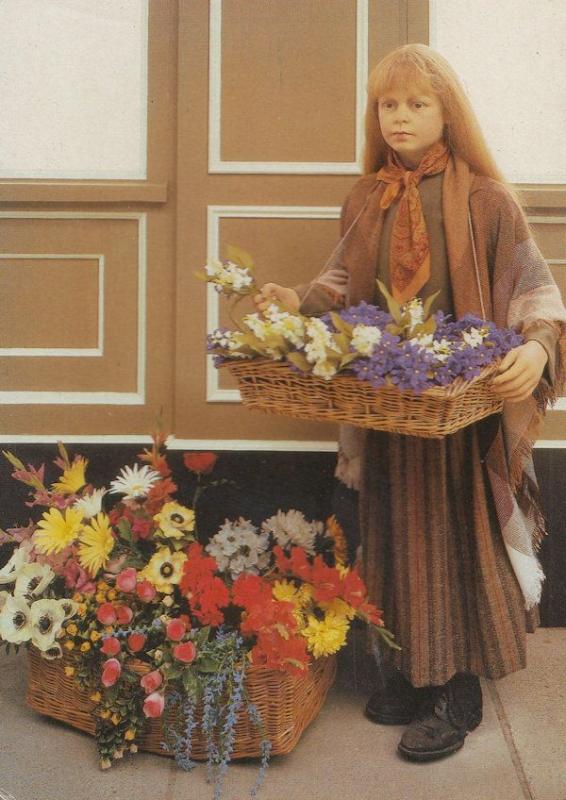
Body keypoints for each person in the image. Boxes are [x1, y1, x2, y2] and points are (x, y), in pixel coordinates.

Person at [253, 44, 566, 762]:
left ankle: (456, 688)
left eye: (416, 103)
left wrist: (538, 347)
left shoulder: (486, 200)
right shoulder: (367, 198)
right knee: (393, 531)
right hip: (392, 410)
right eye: (388, 105)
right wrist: (293, 303)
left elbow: (535, 291)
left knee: (455, 539)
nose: (399, 117)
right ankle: (412, 670)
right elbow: (338, 284)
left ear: (447, 113)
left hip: (459, 416)